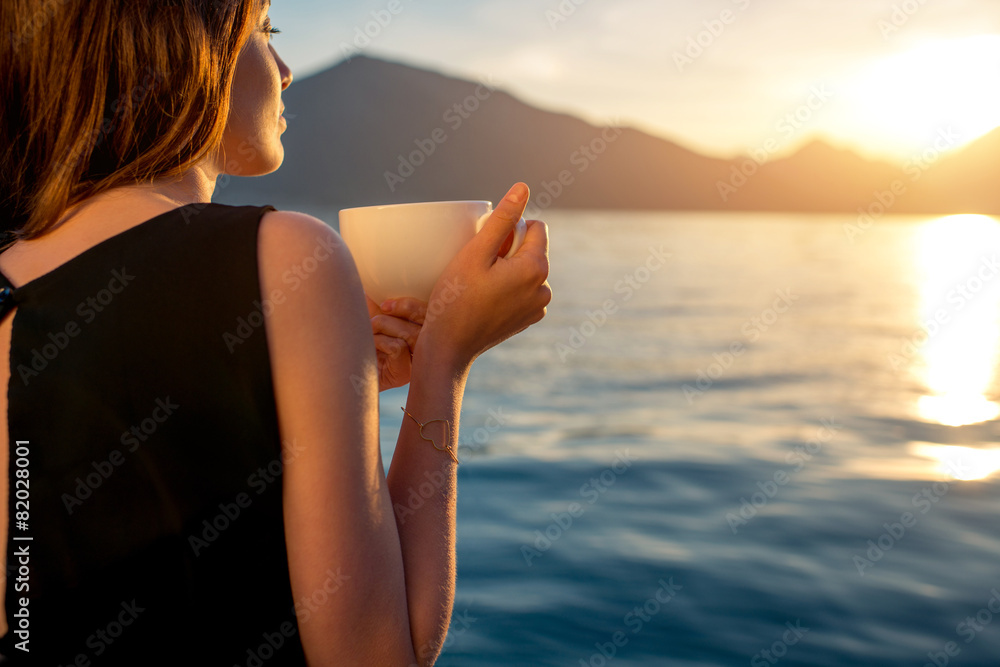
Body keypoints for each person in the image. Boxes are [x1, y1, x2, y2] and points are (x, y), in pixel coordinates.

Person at [0, 0, 550, 664]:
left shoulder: (11, 277)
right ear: (182, 50)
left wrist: (329, 384)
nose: (287, 70)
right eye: (266, 32)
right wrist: (444, 362)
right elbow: (380, 654)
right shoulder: (284, 256)